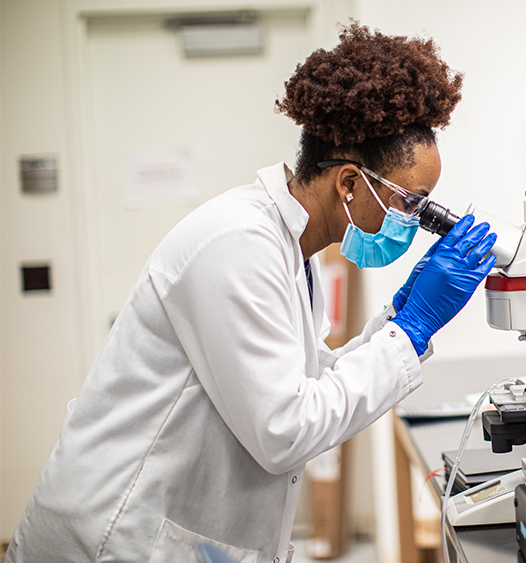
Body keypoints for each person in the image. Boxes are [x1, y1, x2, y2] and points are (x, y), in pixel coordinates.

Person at [5, 23, 495, 563]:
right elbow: (285, 429)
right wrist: (412, 329)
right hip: (111, 536)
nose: (415, 220)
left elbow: (304, 382)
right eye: (412, 202)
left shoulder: (290, 251)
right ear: (350, 184)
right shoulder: (237, 244)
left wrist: (395, 323)